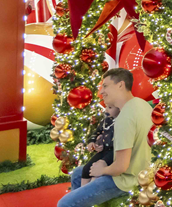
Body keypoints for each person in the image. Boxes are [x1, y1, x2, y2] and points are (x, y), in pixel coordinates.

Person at [58, 68, 153, 207]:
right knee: (78, 173)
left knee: (64, 204)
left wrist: (102, 170)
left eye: (106, 86)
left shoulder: (124, 118)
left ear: (120, 85)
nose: (101, 91)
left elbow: (120, 167)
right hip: (141, 170)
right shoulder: (141, 104)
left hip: (127, 180)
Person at [81, 104, 120, 187]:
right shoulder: (105, 121)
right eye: (106, 107)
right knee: (86, 169)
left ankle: (90, 192)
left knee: (97, 170)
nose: (106, 110)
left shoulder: (122, 122)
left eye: (110, 107)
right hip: (104, 150)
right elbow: (97, 132)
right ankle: (80, 191)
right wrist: (92, 141)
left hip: (114, 152)